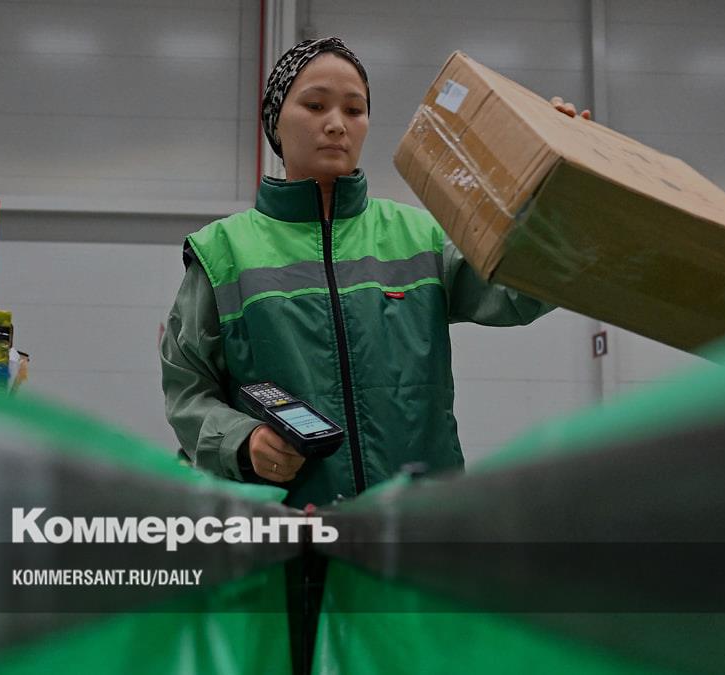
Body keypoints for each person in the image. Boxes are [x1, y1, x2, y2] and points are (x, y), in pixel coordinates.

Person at [160, 37, 590, 509]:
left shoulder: (420, 237)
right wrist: (242, 442)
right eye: (315, 105)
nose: (336, 124)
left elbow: (519, 291)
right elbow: (188, 391)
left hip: (418, 525)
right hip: (292, 528)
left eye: (354, 109)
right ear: (276, 119)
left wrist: (562, 188)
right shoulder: (223, 253)